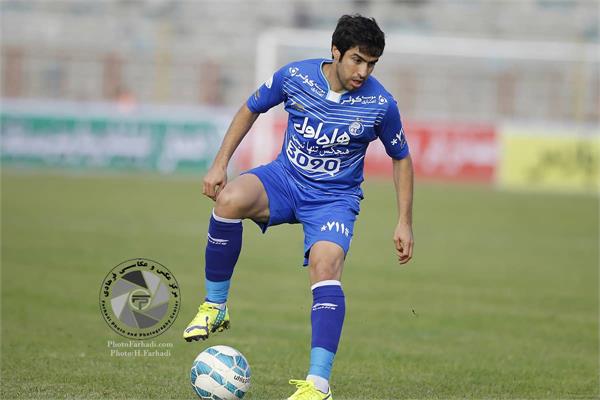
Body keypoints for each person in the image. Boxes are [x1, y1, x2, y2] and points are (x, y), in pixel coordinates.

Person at [184, 14, 414, 400]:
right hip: (284, 180)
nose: (364, 70)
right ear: (335, 52)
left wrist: (404, 221)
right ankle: (214, 305)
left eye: (372, 63)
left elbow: (401, 157)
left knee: (325, 266)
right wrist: (220, 163)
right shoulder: (296, 76)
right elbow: (250, 108)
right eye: (357, 59)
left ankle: (318, 385)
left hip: (333, 200)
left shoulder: (380, 104)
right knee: (228, 201)